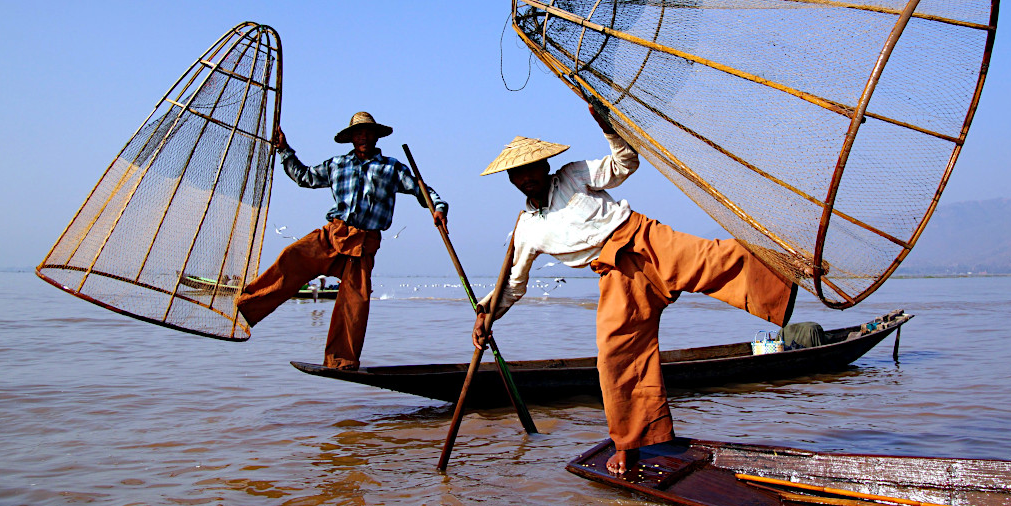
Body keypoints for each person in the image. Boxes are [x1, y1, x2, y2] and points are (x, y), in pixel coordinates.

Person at [473, 105, 796, 475]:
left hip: (644, 239)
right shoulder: (526, 229)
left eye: (530, 169)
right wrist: (487, 314)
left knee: (715, 259)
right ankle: (630, 444)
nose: (526, 178)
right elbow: (513, 284)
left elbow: (624, 164)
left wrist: (609, 129)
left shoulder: (574, 174)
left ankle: (789, 272)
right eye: (517, 174)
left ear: (545, 167)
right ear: (511, 180)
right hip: (615, 274)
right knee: (616, 357)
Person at [236, 111, 447, 370]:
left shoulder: (391, 168)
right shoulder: (337, 164)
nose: (364, 137)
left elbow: (421, 189)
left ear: (376, 136)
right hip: (333, 235)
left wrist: (437, 208)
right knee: (292, 257)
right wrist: (284, 150)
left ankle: (341, 360)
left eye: (368, 133)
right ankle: (246, 306)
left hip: (364, 244)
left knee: (354, 305)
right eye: (359, 133)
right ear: (351, 138)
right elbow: (304, 177)